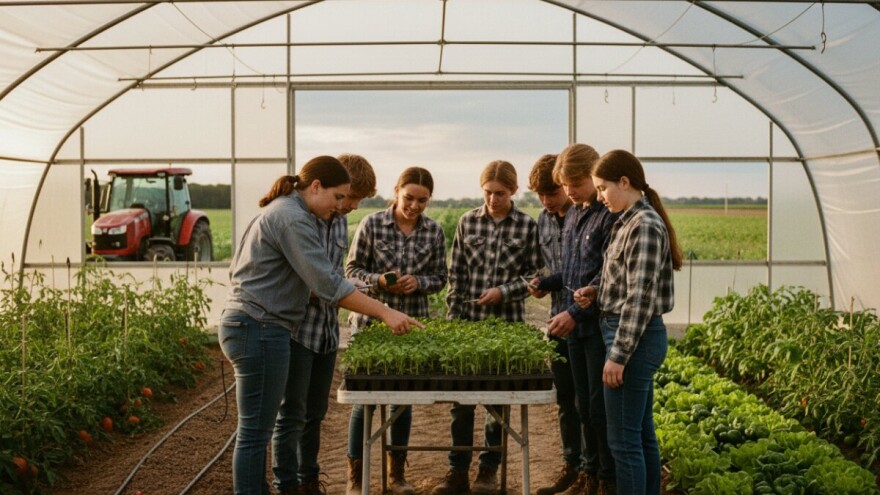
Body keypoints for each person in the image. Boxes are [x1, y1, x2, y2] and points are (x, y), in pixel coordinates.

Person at [219, 155, 422, 495]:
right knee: (257, 431)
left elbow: (322, 279)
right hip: (261, 326)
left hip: (259, 325)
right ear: (315, 187)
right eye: (339, 197)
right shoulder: (292, 218)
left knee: (258, 429)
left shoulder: (289, 211)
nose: (343, 206)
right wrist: (385, 312)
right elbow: (327, 285)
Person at [574, 149, 681, 495]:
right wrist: (595, 290)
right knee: (640, 434)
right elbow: (626, 281)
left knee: (622, 442)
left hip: (632, 338)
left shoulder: (645, 226)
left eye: (603, 188)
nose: (599, 196)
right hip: (626, 333)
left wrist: (618, 355)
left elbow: (639, 299)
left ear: (625, 182)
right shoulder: (627, 221)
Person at [434, 160, 543, 495]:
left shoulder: (527, 226)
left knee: (497, 403)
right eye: (488, 192)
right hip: (468, 325)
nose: (494, 199)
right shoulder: (468, 222)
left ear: (513, 191)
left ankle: (488, 471)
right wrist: (454, 322)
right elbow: (458, 276)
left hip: (506, 328)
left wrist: (504, 292)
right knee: (461, 402)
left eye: (500, 193)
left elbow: (536, 276)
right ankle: (457, 471)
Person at [271, 154, 377, 495]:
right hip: (298, 329)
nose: (352, 206)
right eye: (349, 198)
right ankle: (286, 483)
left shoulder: (338, 222)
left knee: (315, 412)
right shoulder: (303, 219)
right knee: (291, 414)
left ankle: (309, 480)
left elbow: (333, 276)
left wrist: (350, 286)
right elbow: (316, 281)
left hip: (327, 331)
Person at [345, 167, 448, 495]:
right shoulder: (372, 224)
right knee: (365, 400)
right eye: (409, 198)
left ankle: (396, 476)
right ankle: (355, 476)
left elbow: (441, 278)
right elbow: (350, 271)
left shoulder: (433, 232)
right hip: (370, 323)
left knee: (403, 399)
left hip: (411, 324)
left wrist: (419, 282)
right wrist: (379, 280)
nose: (415, 205)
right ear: (396, 191)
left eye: (422, 200)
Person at [536, 144, 619, 495]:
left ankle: (606, 479)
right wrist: (547, 282)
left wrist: (573, 312)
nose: (569, 190)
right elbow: (572, 271)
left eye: (575, 182)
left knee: (600, 410)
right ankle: (587, 473)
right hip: (574, 328)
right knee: (582, 405)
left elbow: (609, 278)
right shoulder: (574, 214)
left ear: (593, 174)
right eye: (564, 183)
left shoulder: (609, 215)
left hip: (596, 326)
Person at [523, 154, 582, 495]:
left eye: (552, 192)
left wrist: (549, 283)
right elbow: (546, 271)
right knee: (565, 399)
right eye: (540, 195)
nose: (547, 201)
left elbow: (581, 273)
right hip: (557, 320)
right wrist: (538, 283)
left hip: (583, 319)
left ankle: (591, 470)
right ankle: (571, 466)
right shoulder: (543, 221)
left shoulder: (583, 214)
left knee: (586, 403)